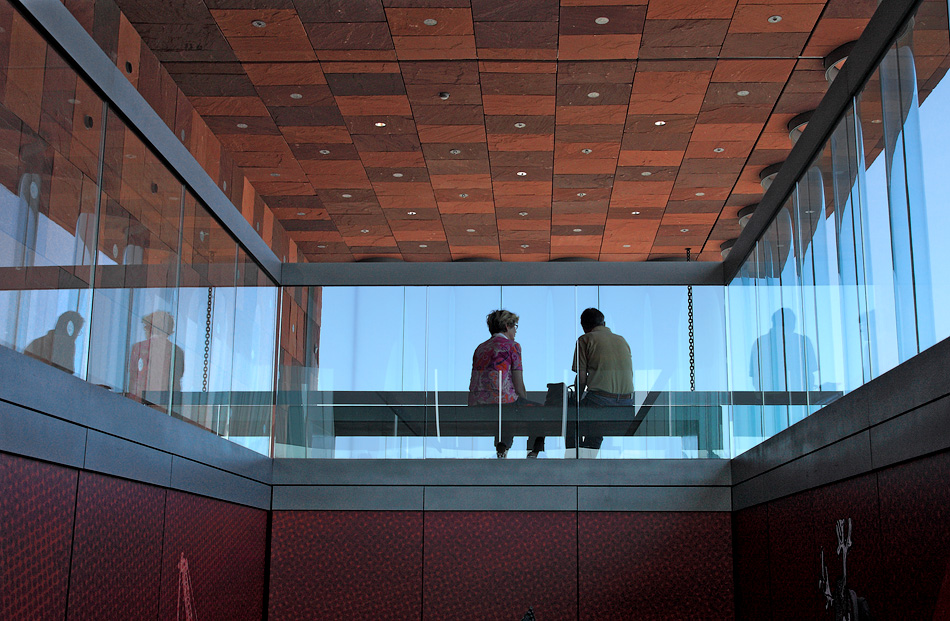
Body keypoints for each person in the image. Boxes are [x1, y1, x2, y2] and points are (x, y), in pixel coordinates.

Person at [468, 309, 535, 458]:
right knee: (541, 413)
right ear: (506, 326)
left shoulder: (480, 348)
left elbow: (474, 380)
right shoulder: (513, 346)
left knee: (505, 412)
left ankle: (502, 448)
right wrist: (523, 399)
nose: (515, 331)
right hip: (504, 403)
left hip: (480, 404)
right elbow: (518, 383)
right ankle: (533, 452)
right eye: (515, 326)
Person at [572, 308, 635, 453]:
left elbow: (582, 378)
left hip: (601, 401)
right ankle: (588, 457)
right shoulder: (622, 340)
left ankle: (575, 462)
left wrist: (576, 401)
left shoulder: (585, 339)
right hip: (626, 404)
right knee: (594, 430)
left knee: (570, 419)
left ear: (584, 327)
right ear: (604, 323)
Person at [128, 310, 185, 404]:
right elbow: (177, 379)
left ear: (149, 328)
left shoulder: (139, 348)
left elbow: (133, 376)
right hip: (166, 403)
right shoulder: (177, 351)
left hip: (139, 400)